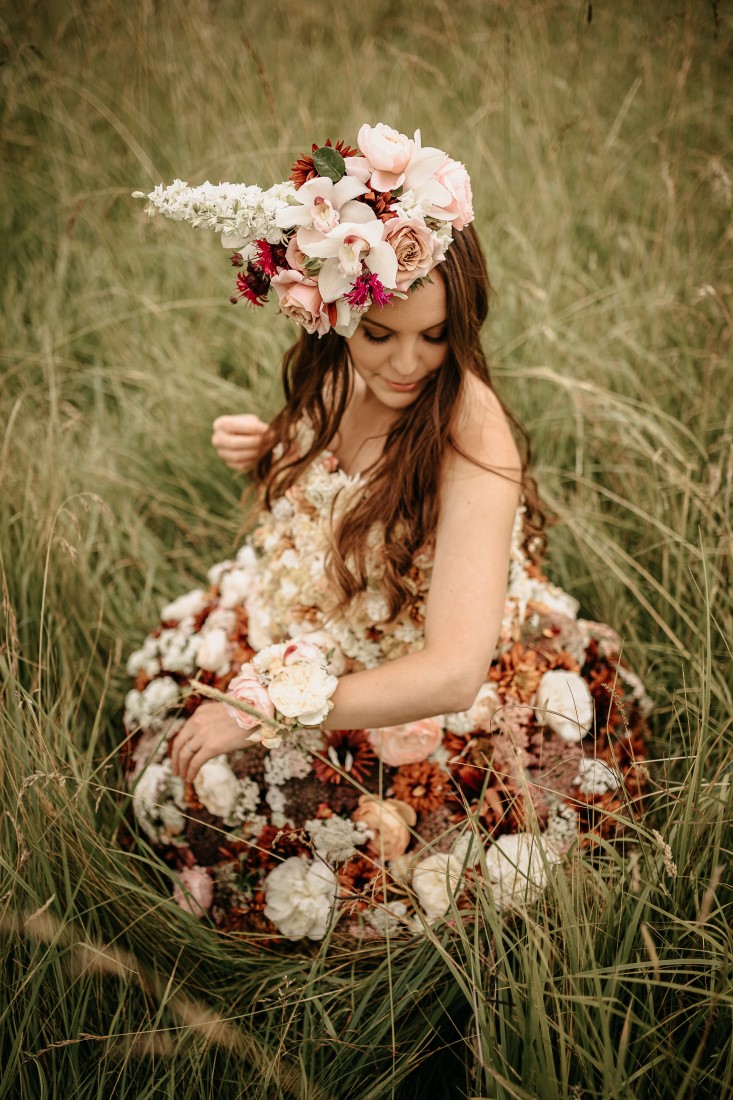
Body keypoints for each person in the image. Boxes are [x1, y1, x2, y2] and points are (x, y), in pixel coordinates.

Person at [125, 124, 650, 941]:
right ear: (340, 312)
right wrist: (276, 442)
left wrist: (262, 713)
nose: (408, 363)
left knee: (328, 861)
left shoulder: (471, 433)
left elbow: (449, 675)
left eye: (435, 336)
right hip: (316, 625)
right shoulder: (337, 354)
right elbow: (343, 444)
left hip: (415, 686)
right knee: (185, 784)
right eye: (381, 335)